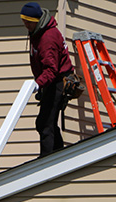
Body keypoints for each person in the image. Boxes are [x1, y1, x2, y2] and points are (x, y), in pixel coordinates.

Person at [21, 2, 75, 157]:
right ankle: (58, 154)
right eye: (24, 21)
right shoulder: (38, 32)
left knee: (45, 124)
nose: (26, 25)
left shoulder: (47, 38)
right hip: (50, 82)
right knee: (46, 122)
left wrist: (38, 84)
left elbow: (51, 69)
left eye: (28, 22)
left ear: (36, 20)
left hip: (57, 81)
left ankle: (47, 161)